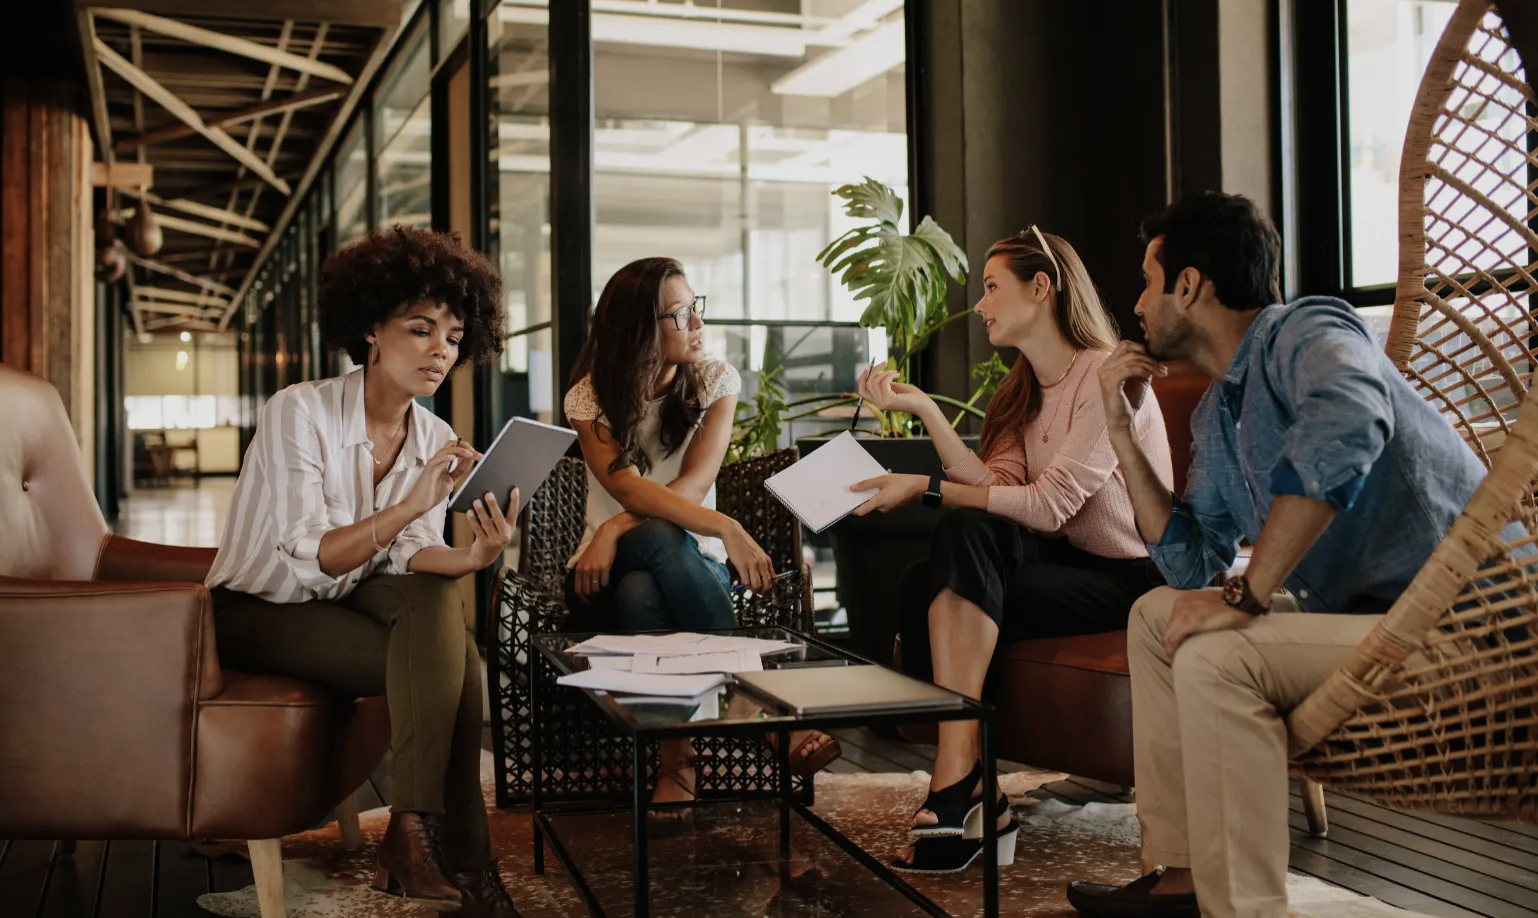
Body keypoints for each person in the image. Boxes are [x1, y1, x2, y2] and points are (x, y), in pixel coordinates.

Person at [1068, 192, 1487, 918]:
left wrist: (1251, 594)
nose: (1135, 303)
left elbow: (1352, 415)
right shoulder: (1218, 413)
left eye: (1146, 279)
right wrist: (1118, 428)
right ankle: (1182, 877)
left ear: (1189, 286)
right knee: (1154, 616)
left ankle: (1248, 911)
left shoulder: (1307, 327)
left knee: (1220, 655)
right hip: (1372, 623)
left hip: (1470, 622)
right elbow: (1191, 567)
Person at [204, 227, 524, 917]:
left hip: (350, 600)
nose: (441, 349)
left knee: (440, 607)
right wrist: (412, 500)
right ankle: (468, 867)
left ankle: (416, 838)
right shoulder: (300, 411)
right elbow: (307, 554)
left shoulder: (434, 436)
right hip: (260, 610)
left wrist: (472, 556)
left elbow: (411, 549)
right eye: (420, 329)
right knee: (456, 667)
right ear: (371, 330)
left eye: (455, 335)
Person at [850, 226, 1174, 874]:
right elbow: (997, 489)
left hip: (1129, 574)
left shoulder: (1104, 376)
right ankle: (974, 786)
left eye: (992, 287)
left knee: (955, 543)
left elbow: (1050, 505)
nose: (981, 304)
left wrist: (924, 489)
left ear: (1042, 287)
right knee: (926, 579)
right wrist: (925, 413)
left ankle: (958, 783)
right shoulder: (1020, 390)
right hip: (1063, 566)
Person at [563, 257, 842, 828]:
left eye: (696, 307)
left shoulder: (716, 381)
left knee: (645, 591)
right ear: (641, 330)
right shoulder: (588, 398)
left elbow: (692, 484)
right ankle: (760, 706)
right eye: (680, 313)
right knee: (643, 562)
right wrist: (726, 526)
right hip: (601, 572)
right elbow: (624, 486)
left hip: (685, 564)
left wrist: (616, 524)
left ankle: (677, 764)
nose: (697, 323)